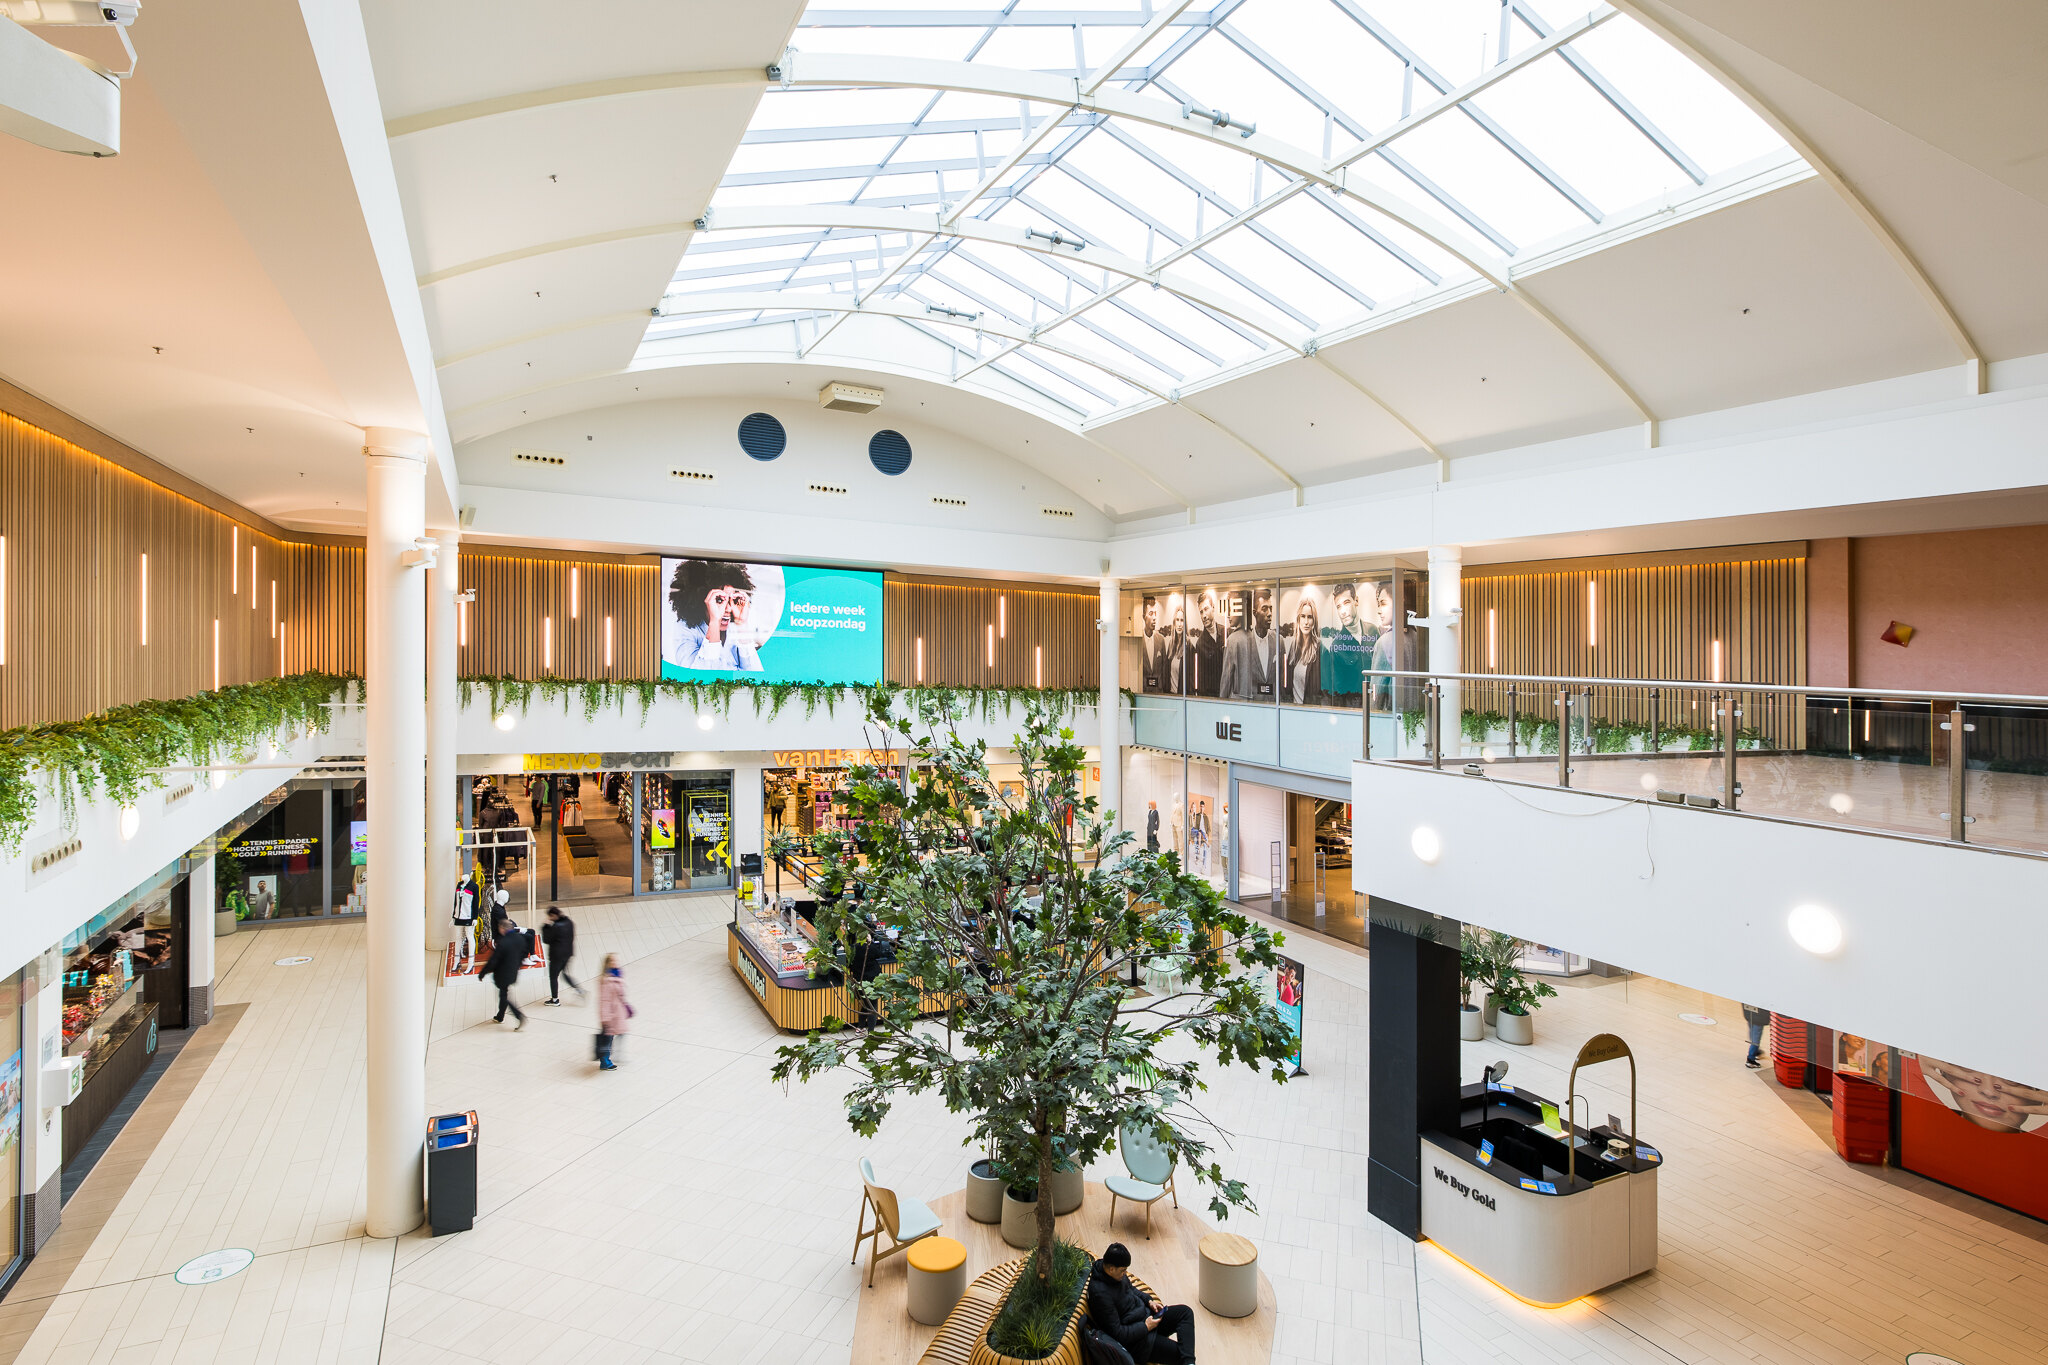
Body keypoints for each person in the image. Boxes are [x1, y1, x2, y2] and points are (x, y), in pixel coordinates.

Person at [1086, 1242, 1195, 1365]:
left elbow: (1132, 1289)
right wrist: (1145, 1327)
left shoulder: (1113, 1273)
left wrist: (1149, 1301)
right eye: (1123, 1270)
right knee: (1180, 1354)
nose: (1125, 1273)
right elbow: (1118, 1334)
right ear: (1111, 1269)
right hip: (1139, 1343)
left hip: (1146, 1318)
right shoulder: (1100, 1295)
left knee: (1185, 1312)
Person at [667, 558, 763, 672]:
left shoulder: (734, 628)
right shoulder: (685, 629)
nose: (728, 609)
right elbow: (698, 680)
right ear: (701, 600)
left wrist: (742, 624)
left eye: (733, 600)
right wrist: (714, 623)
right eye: (719, 600)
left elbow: (755, 677)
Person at [1218, 589, 1274, 701]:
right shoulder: (1245, 637)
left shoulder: (1233, 640)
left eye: (1231, 610)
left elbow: (1226, 681)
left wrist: (1221, 705)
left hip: (1240, 704)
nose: (1228, 615)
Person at [481, 914, 532, 1030]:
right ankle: (500, 1016)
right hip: (513, 971)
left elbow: (493, 961)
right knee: (503, 993)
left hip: (503, 973)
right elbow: (523, 953)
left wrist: (483, 973)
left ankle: (518, 1016)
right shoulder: (520, 938)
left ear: (502, 929)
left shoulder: (503, 942)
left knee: (504, 996)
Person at [1283, 597, 1324, 705]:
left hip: (1310, 713)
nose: (1306, 622)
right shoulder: (1294, 647)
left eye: (1310, 617)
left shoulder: (1320, 650)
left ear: (1314, 621)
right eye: (1303, 616)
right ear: (1298, 619)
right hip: (1293, 712)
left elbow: (1323, 693)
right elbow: (1287, 687)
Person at [541, 908, 585, 1005]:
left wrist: (545, 926)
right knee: (564, 974)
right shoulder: (569, 922)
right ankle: (579, 990)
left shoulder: (556, 927)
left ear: (554, 915)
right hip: (567, 953)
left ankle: (555, 1000)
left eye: (550, 916)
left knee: (553, 977)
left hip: (556, 956)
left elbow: (546, 939)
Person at [596, 953, 632, 1069]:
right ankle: (605, 1061)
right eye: (613, 961)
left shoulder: (618, 975)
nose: (616, 963)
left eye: (617, 960)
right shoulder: (606, 981)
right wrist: (605, 1018)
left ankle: (612, 1056)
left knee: (618, 1034)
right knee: (608, 1038)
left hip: (618, 1012)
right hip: (611, 1015)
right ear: (608, 964)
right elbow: (604, 1000)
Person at [1189, 590, 1225, 697]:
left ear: (1213, 608)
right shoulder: (1200, 644)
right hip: (1212, 697)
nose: (1204, 615)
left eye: (1206, 609)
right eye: (1201, 612)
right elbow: (1201, 681)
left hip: (1228, 694)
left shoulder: (1225, 632)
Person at [1741, 1002, 1771, 1069]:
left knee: (1752, 1031)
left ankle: (1756, 1052)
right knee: (1756, 1037)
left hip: (1748, 1011)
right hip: (1759, 1015)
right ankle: (1750, 1060)